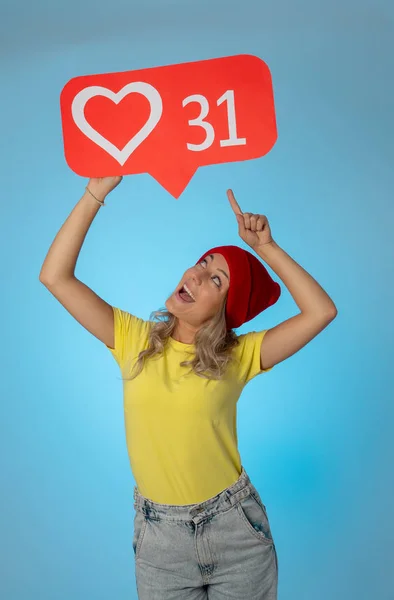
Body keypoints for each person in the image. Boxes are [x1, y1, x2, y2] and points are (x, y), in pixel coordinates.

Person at [39, 176, 337, 599]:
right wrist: (96, 192)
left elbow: (321, 311)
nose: (198, 275)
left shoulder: (240, 356)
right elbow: (55, 277)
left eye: (217, 280)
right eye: (204, 262)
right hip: (161, 542)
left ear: (225, 311)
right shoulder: (133, 340)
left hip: (236, 532)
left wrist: (265, 248)